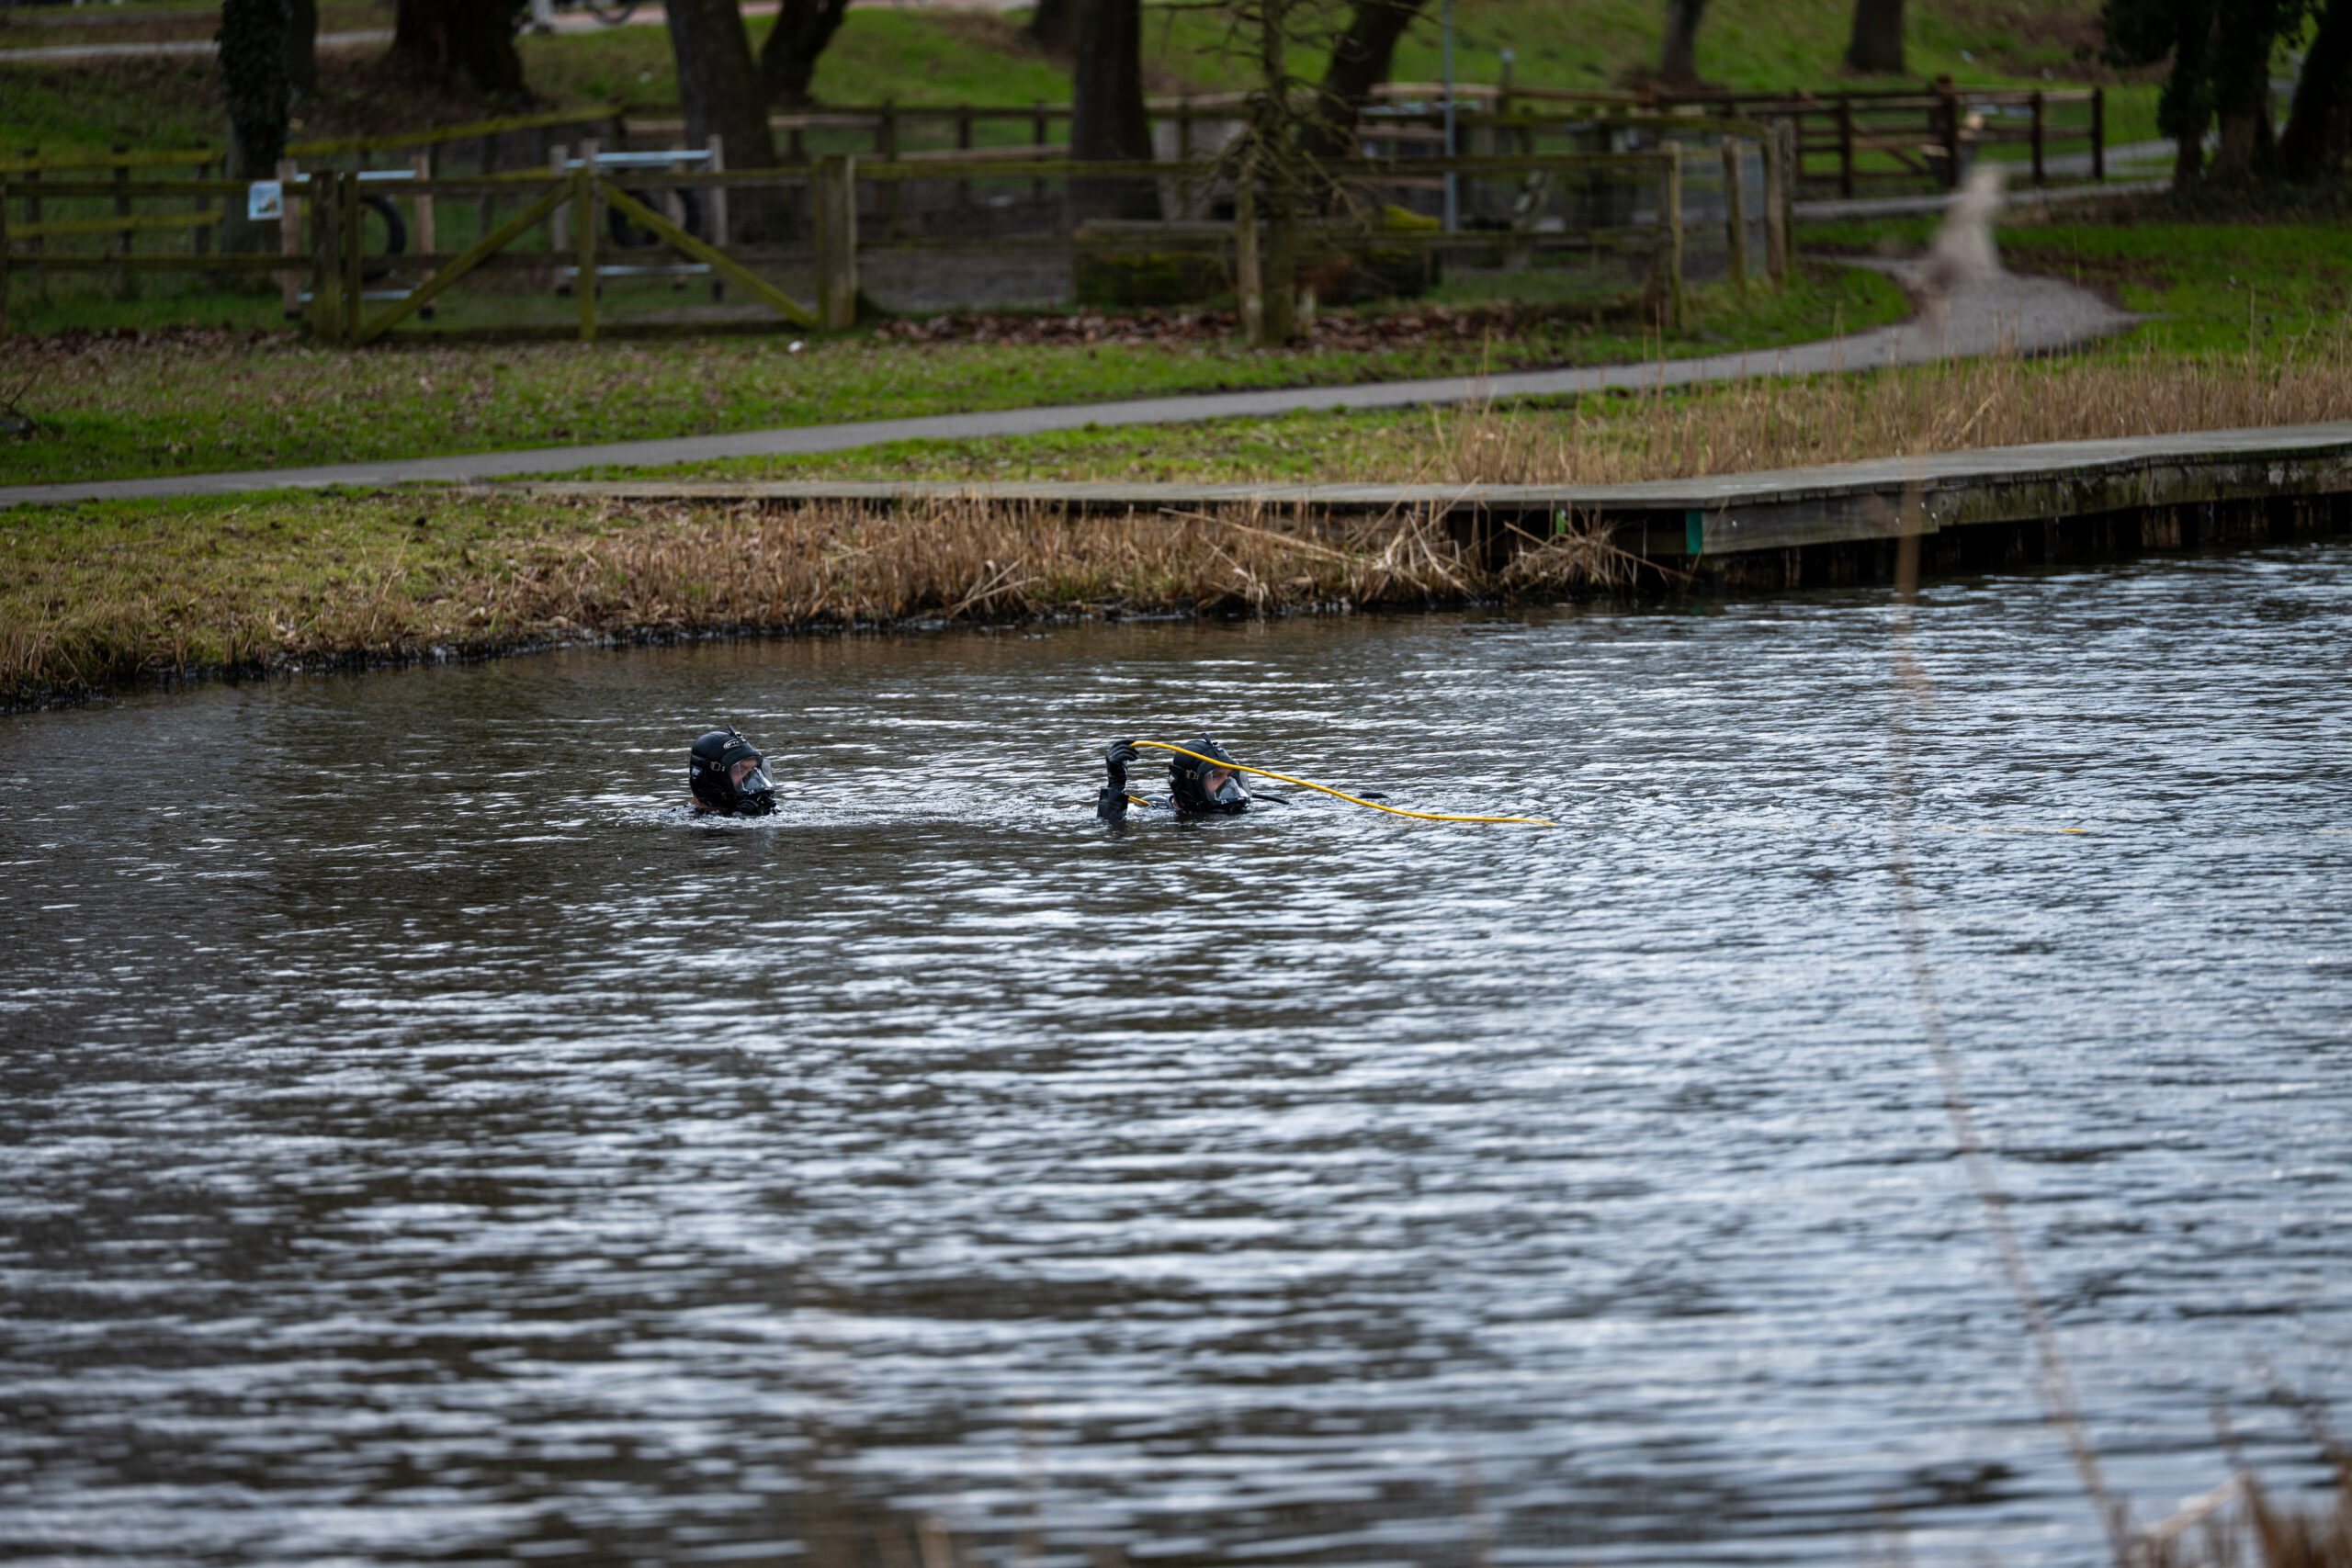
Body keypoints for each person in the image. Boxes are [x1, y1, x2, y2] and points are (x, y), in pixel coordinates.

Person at [1097, 736, 1251, 822]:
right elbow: (1108, 828)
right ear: (1190, 784)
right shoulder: (1153, 809)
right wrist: (1115, 785)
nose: (1229, 784)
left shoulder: (1240, 810)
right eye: (1216, 776)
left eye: (1230, 775)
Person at [689, 726, 777, 818]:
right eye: (741, 770)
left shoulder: (769, 812)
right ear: (713, 779)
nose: (752, 779)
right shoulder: (687, 822)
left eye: (754, 769)